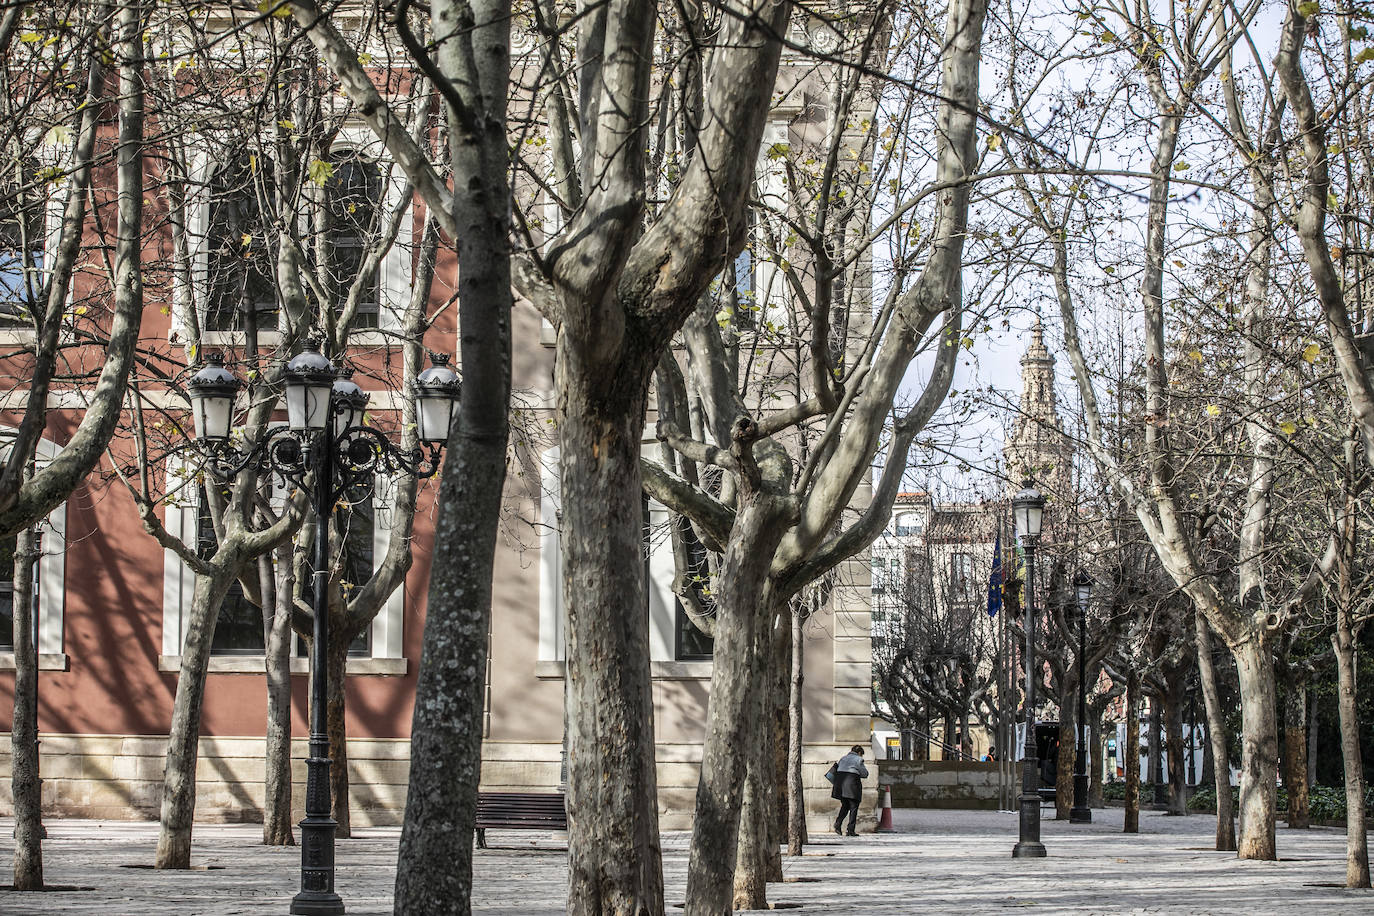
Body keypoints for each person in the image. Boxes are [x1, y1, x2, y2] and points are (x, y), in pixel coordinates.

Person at [831, 744, 869, 836]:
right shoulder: (859, 759)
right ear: (859, 753)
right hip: (852, 784)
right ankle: (850, 830)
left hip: (841, 784)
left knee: (845, 806)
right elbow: (865, 773)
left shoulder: (843, 758)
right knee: (853, 807)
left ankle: (838, 824)